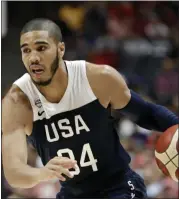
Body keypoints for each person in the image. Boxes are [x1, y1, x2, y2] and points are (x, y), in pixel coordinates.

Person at [2, 18, 178, 199]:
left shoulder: (98, 78)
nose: (33, 57)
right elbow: (14, 173)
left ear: (61, 49)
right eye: (26, 51)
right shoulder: (16, 101)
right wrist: (43, 173)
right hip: (72, 193)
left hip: (119, 187)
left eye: (41, 48)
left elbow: (147, 113)